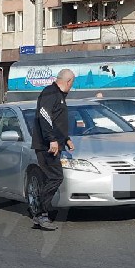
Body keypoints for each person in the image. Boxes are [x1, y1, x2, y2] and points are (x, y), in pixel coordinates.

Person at [32, 69, 76, 231]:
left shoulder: (59, 96)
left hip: (54, 144)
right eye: (72, 84)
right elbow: (44, 116)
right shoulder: (50, 92)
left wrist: (66, 138)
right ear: (68, 81)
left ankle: (41, 212)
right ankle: (41, 213)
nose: (71, 87)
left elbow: (57, 121)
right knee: (55, 177)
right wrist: (52, 139)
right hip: (46, 146)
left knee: (51, 178)